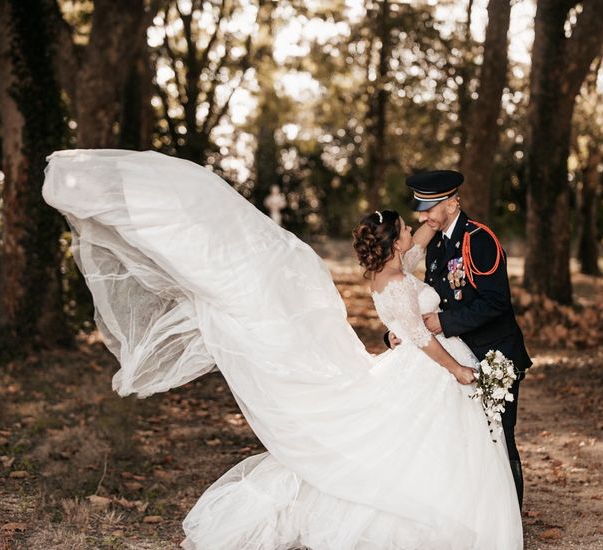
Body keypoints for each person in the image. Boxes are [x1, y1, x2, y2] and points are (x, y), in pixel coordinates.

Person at [42, 149, 522, 550]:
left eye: (426, 208)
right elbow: (417, 326)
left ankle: (473, 514)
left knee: (457, 445)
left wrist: (415, 319)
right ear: (394, 243)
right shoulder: (399, 273)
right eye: (410, 220)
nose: (418, 220)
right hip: (433, 361)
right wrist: (439, 353)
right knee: (436, 447)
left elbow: (435, 270)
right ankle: (455, 523)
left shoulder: (416, 256)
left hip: (440, 356)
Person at [383, 170, 532, 507]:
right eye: (420, 209)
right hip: (461, 354)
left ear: (451, 204)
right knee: (470, 441)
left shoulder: (479, 240)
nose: (421, 216)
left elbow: (496, 302)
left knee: (500, 437)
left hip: (495, 356)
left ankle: (511, 516)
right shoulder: (435, 241)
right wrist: (403, 330)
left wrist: (444, 322)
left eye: (427, 208)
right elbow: (427, 294)